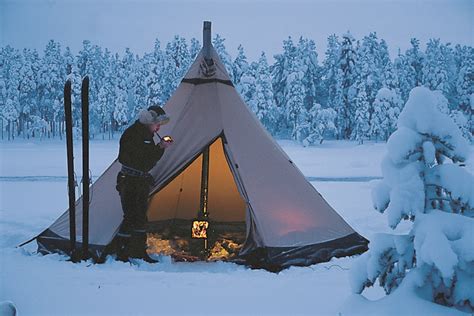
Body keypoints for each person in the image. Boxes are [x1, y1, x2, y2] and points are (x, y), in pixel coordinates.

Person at [115, 105, 173, 263]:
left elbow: (145, 160)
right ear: (149, 120)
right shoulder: (136, 135)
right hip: (130, 181)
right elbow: (144, 162)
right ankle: (122, 252)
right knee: (131, 217)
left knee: (140, 217)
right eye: (157, 124)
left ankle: (137, 251)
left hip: (138, 181)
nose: (159, 127)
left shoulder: (144, 134)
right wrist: (160, 148)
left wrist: (158, 147)